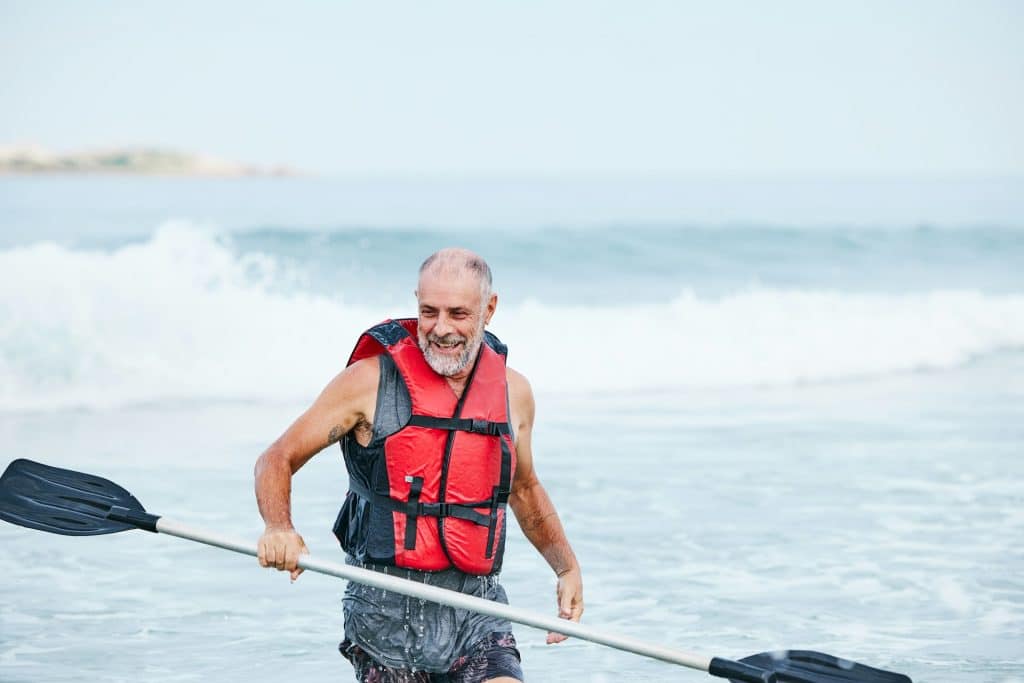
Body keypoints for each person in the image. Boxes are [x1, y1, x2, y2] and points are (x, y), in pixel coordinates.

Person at [254, 248, 583, 682]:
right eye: (428, 311)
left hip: (476, 610)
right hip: (385, 614)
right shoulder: (367, 383)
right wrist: (279, 526)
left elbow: (523, 489)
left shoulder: (512, 393)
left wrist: (565, 566)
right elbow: (277, 457)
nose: (441, 328)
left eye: (458, 313)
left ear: (490, 308)